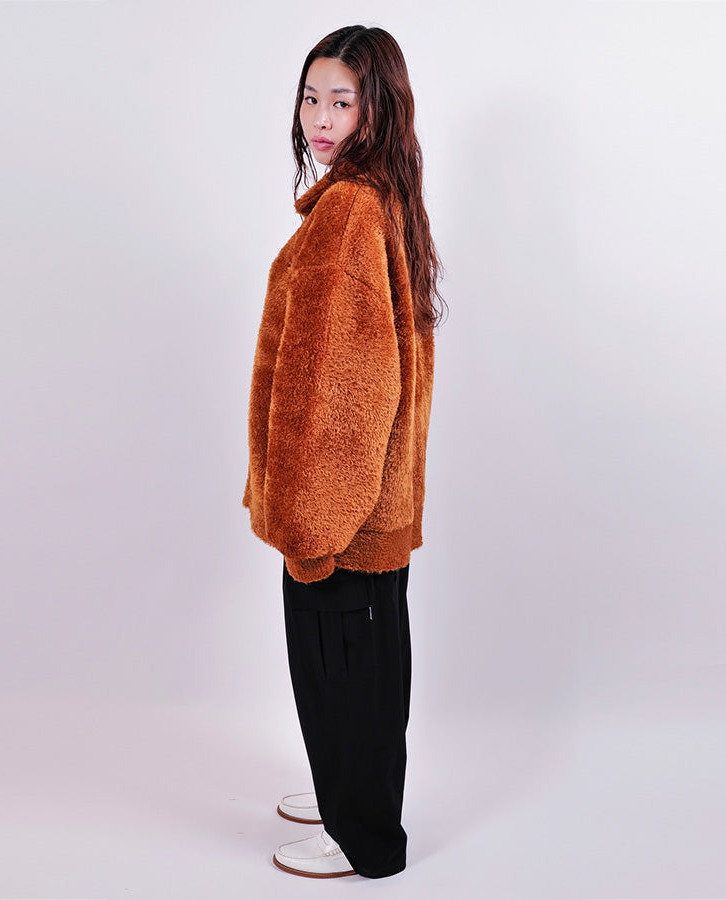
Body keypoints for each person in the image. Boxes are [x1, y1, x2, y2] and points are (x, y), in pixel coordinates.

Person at [242, 24, 445, 879]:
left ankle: (363, 835)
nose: (320, 119)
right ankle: (349, 792)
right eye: (311, 98)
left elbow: (340, 387)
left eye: (342, 102)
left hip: (340, 510)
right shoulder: (379, 196)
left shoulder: (350, 212)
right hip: (374, 498)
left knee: (342, 668)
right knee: (366, 664)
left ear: (378, 110)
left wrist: (311, 525)